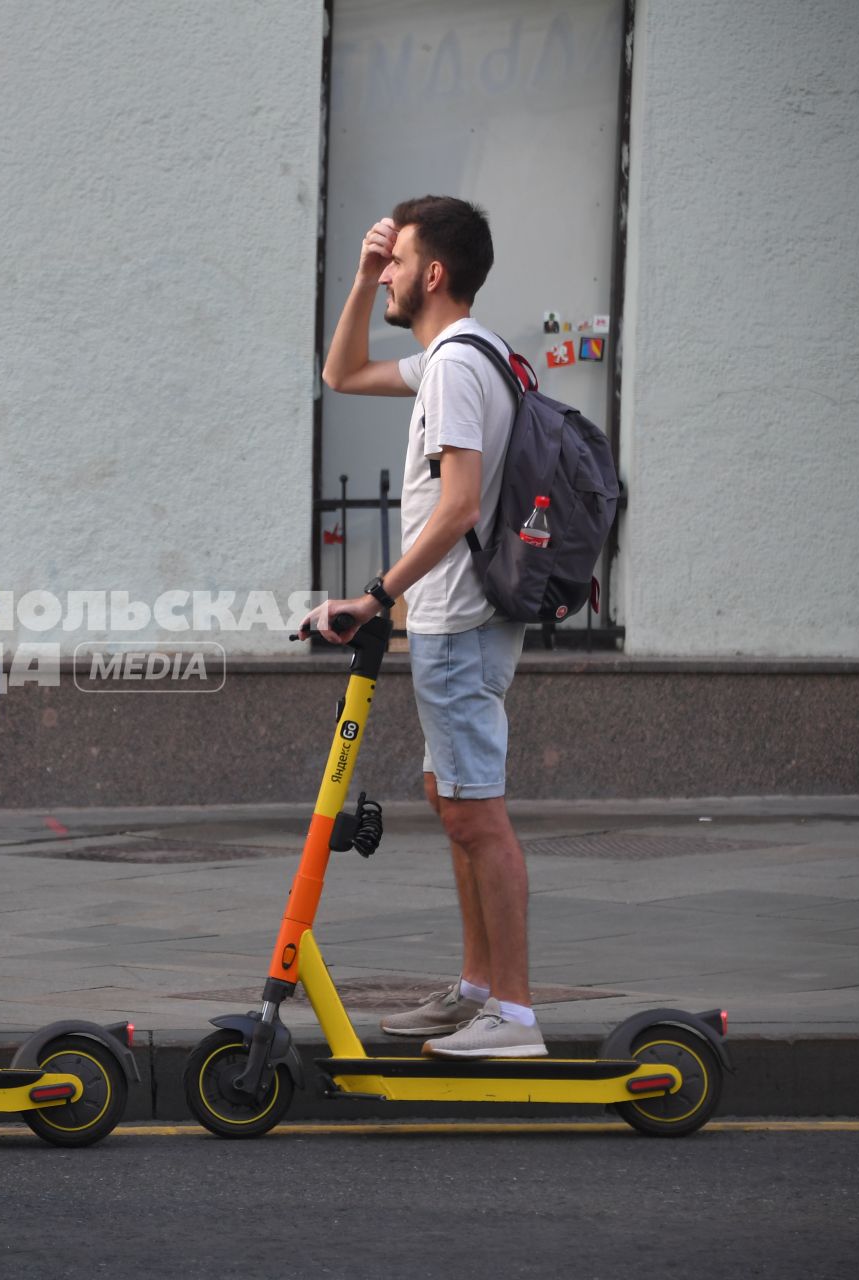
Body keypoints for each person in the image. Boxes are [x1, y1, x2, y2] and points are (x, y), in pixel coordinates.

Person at [301, 195, 544, 1059]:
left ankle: (512, 1015)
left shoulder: (453, 367)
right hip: (455, 620)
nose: (388, 272)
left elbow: (461, 503)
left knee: (478, 814)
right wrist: (363, 282)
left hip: (458, 619)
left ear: (433, 273)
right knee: (454, 803)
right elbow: (342, 373)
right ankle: (479, 991)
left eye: (396, 262)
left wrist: (376, 595)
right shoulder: (467, 355)